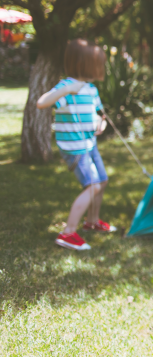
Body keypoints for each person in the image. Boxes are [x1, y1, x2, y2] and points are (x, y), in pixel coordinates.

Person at [37, 39, 115, 251]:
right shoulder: (68, 87)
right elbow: (42, 102)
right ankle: (68, 233)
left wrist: (102, 122)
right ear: (85, 64)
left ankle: (92, 221)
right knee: (92, 186)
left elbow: (100, 113)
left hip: (90, 143)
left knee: (102, 181)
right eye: (99, 63)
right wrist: (67, 89)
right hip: (75, 147)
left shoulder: (90, 89)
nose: (102, 67)